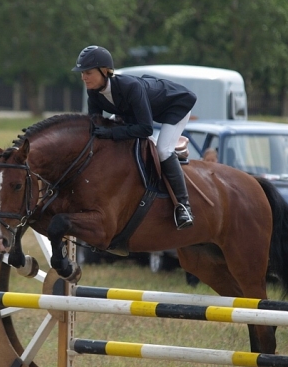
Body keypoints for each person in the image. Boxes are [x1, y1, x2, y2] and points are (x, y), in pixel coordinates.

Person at [72, 45, 197, 230]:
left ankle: (183, 207)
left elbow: (146, 129)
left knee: (163, 150)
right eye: (82, 73)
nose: (83, 77)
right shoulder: (94, 93)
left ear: (104, 71)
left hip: (175, 106)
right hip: (137, 113)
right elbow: (95, 125)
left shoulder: (130, 87)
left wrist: (112, 133)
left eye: (88, 72)